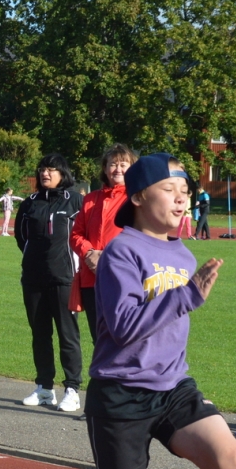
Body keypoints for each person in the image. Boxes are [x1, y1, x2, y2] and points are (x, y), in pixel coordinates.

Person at [28, 152, 236, 469]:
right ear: (142, 195)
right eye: (172, 189)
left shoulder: (184, 254)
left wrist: (185, 294)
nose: (182, 197)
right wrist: (185, 297)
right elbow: (122, 329)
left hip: (173, 388)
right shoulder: (122, 252)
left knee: (232, 463)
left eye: (186, 191)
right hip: (121, 394)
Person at [15, 153, 83, 412]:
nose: (45, 173)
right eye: (42, 169)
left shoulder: (76, 201)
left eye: (52, 169)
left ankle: (72, 389)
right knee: (40, 335)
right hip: (33, 278)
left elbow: (81, 234)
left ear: (63, 173)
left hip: (65, 279)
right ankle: (44, 388)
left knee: (68, 336)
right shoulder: (30, 202)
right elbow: (22, 236)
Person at [70, 144, 135, 345]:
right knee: (98, 338)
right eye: (113, 164)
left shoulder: (136, 199)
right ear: (105, 169)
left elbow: (138, 236)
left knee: (122, 337)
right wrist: (90, 253)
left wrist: (106, 258)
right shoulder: (90, 199)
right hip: (91, 279)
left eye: (123, 164)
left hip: (122, 277)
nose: (118, 169)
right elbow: (76, 234)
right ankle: (102, 377)